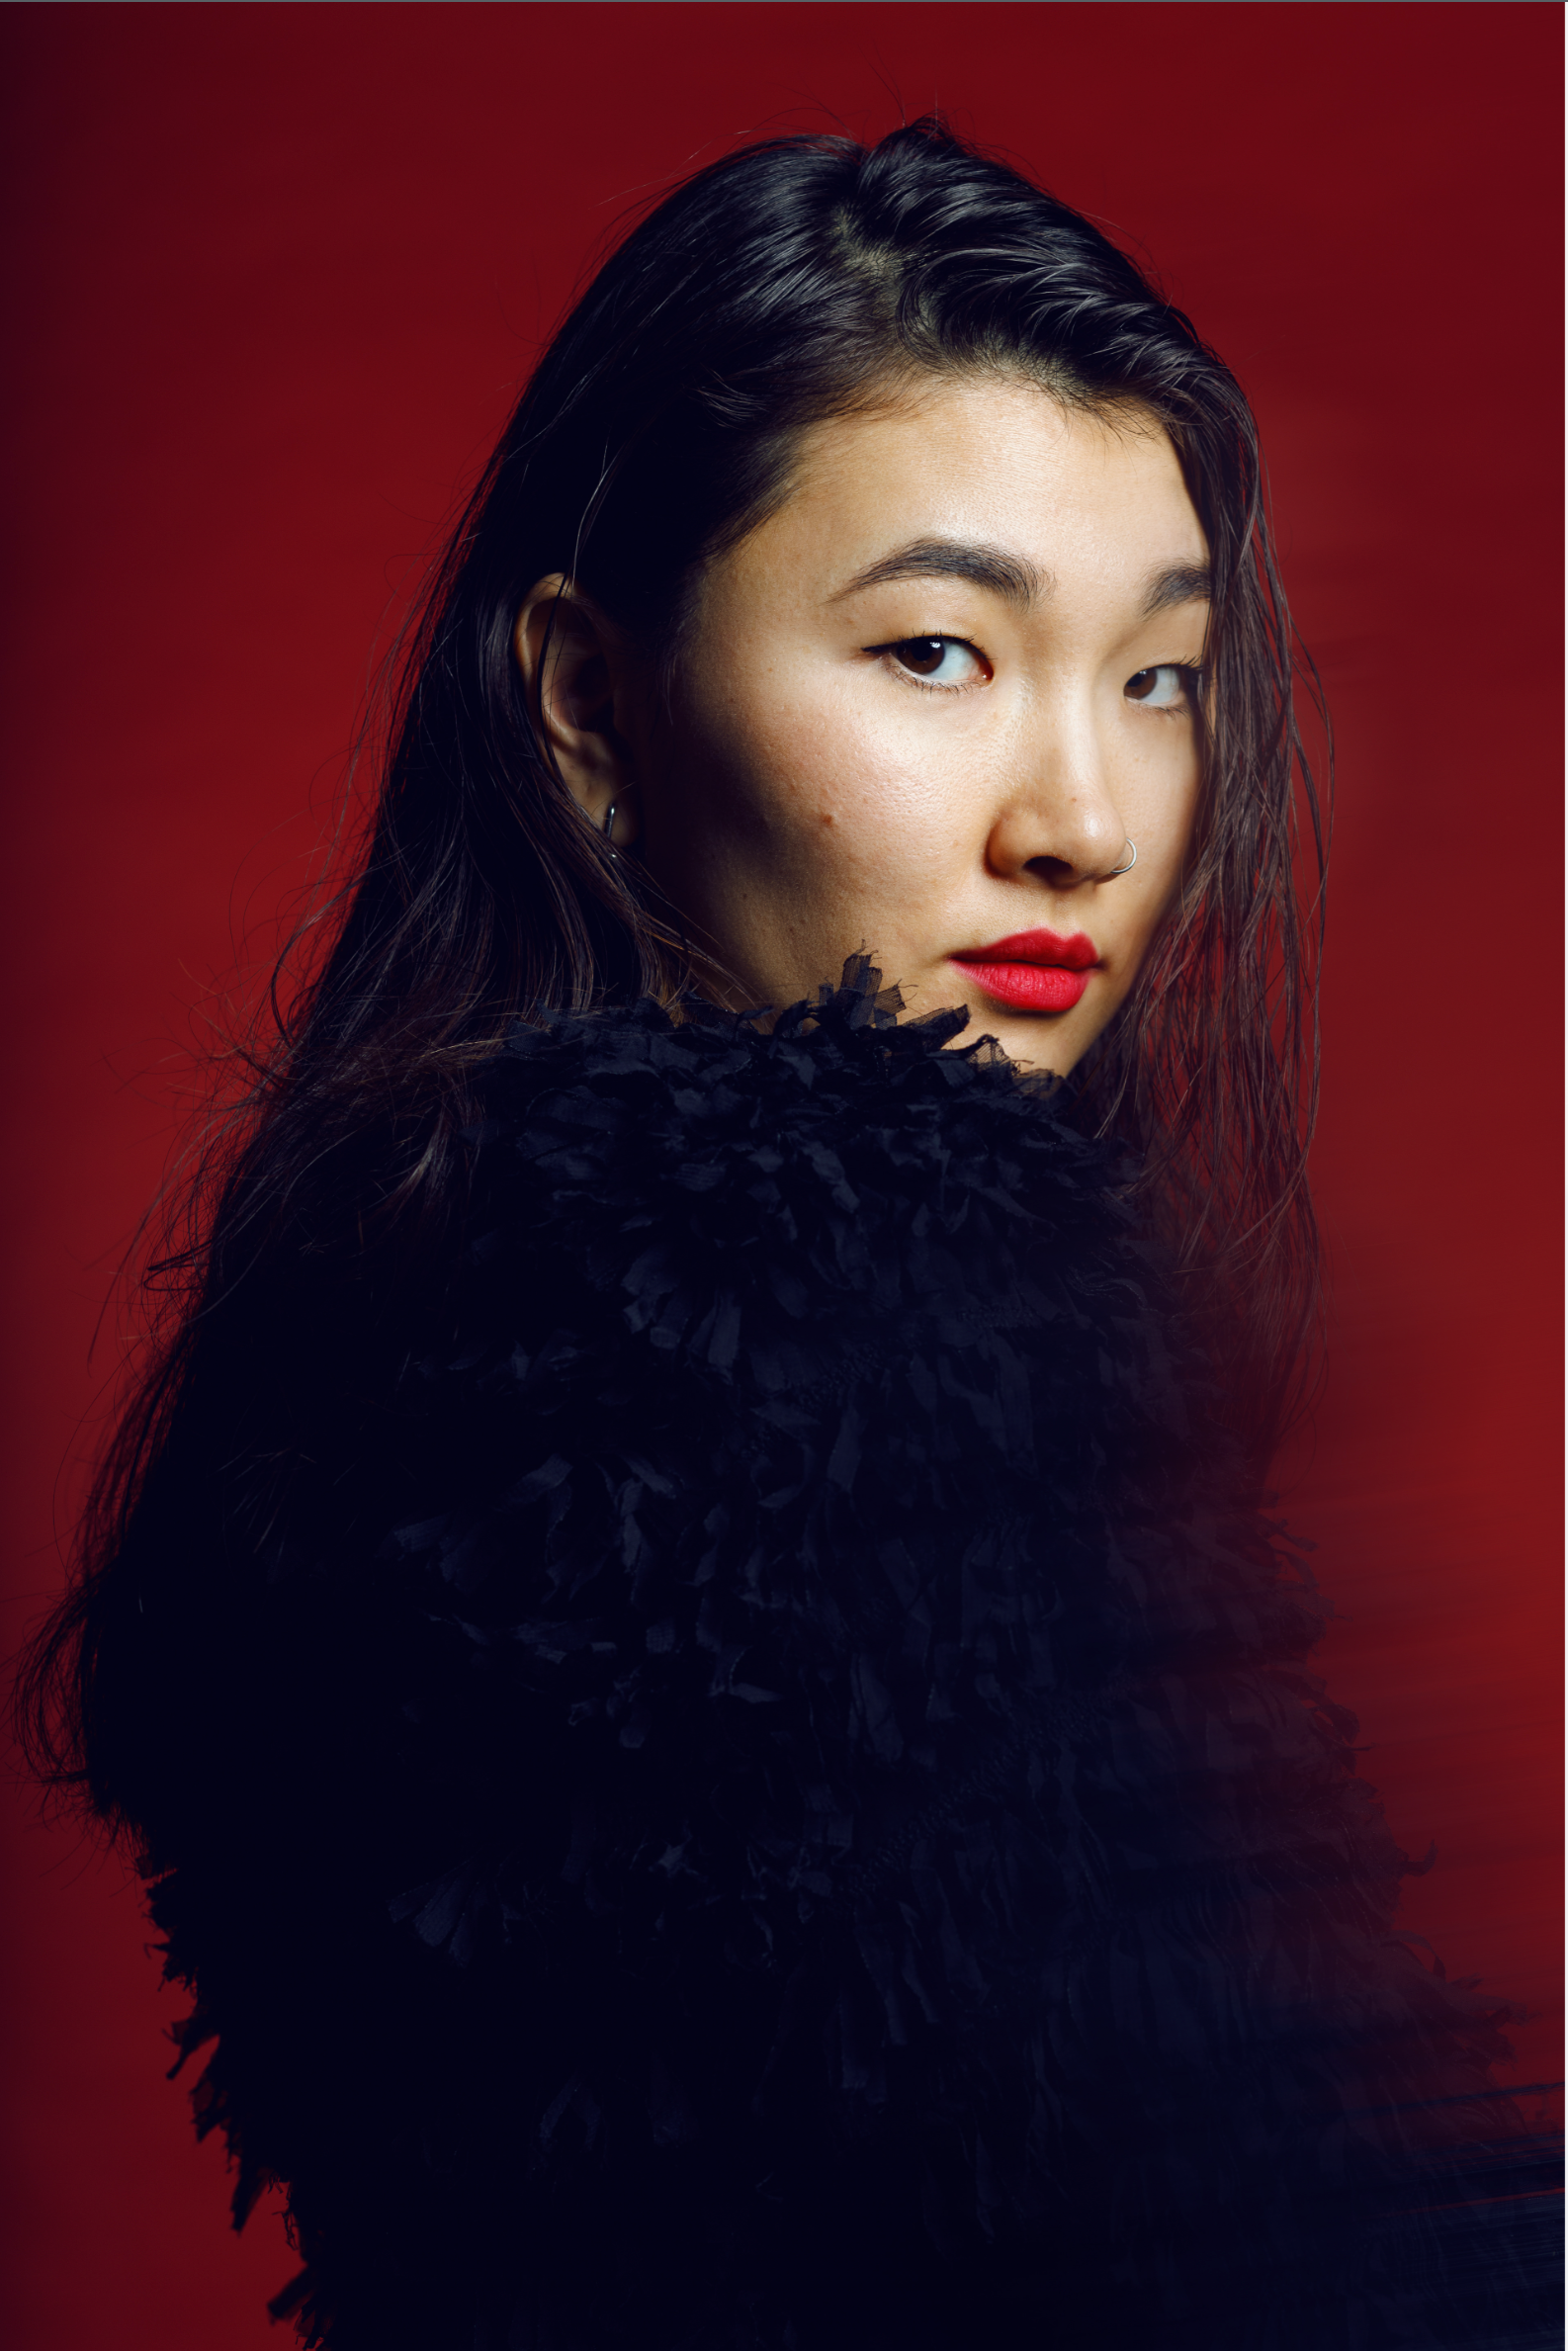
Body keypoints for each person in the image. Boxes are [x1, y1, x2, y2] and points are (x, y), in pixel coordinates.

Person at [19, 122, 1558, 2350]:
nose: (1084, 819)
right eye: (935, 652)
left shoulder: (417, 1267)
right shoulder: (810, 1307)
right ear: (586, 703)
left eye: (1159, 674)